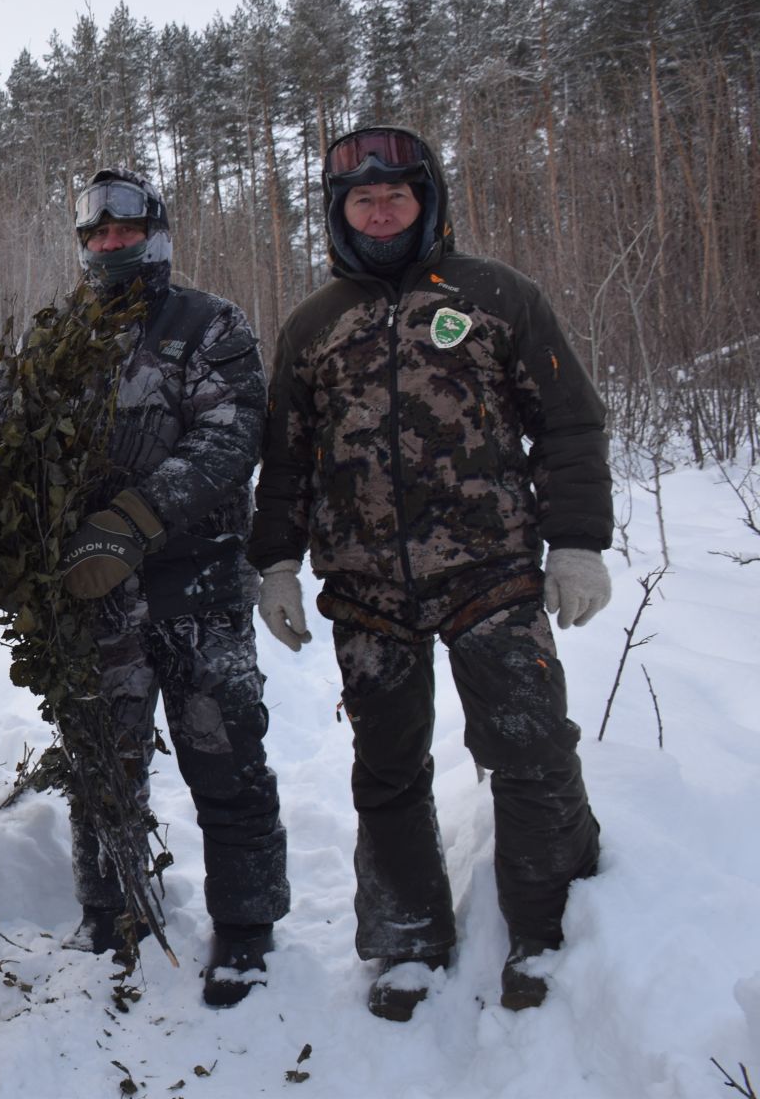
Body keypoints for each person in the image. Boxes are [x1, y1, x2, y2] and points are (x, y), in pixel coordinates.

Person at [249, 125, 613, 1020]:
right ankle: (407, 938)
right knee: (389, 769)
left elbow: (567, 422)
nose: (380, 210)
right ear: (341, 215)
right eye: (362, 200)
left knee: (529, 750)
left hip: (491, 576)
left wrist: (577, 542)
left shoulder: (495, 295)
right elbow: (285, 461)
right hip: (368, 592)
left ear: (426, 200)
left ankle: (545, 930)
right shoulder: (313, 324)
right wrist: (276, 566)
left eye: (396, 195)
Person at [0, 168, 290, 1007]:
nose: (110, 247)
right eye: (96, 237)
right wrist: (4, 546)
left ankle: (247, 927)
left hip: (199, 591)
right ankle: (108, 914)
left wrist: (129, 522)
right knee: (101, 768)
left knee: (225, 755)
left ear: (155, 235)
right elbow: (11, 451)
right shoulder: (53, 340)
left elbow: (232, 438)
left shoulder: (208, 324)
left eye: (124, 233)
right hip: (94, 601)